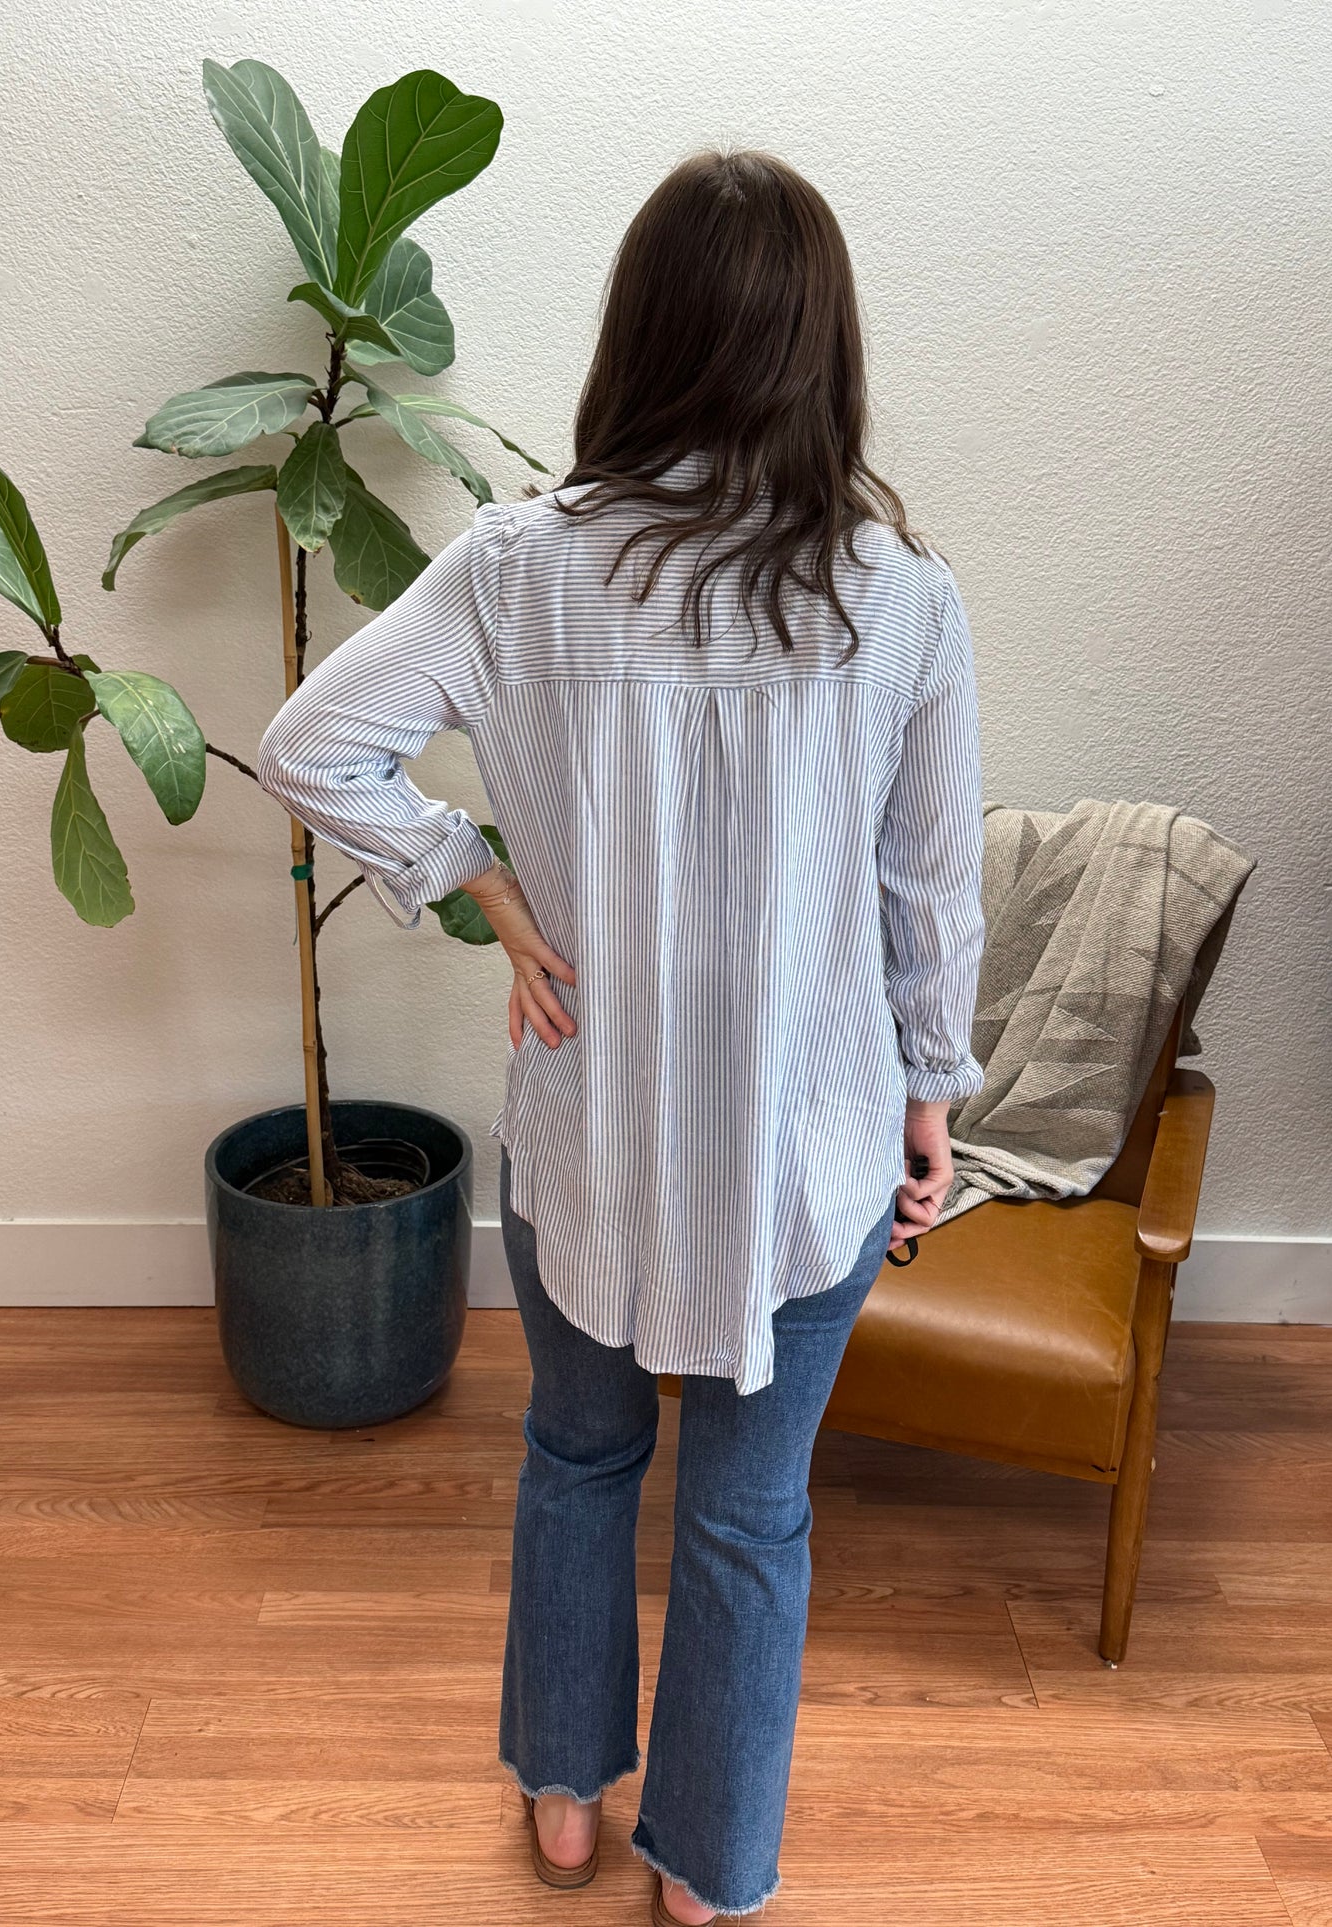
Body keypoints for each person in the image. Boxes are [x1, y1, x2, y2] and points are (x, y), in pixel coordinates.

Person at [258, 148, 985, 1926]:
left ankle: (566, 1796)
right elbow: (929, 894)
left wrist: (472, 883)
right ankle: (712, 1870)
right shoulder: (895, 597)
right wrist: (929, 1093)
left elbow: (306, 745)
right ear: (822, 348)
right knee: (752, 1516)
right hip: (804, 1145)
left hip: (587, 1130)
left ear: (638, 334)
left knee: (578, 1455)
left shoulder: (519, 565)